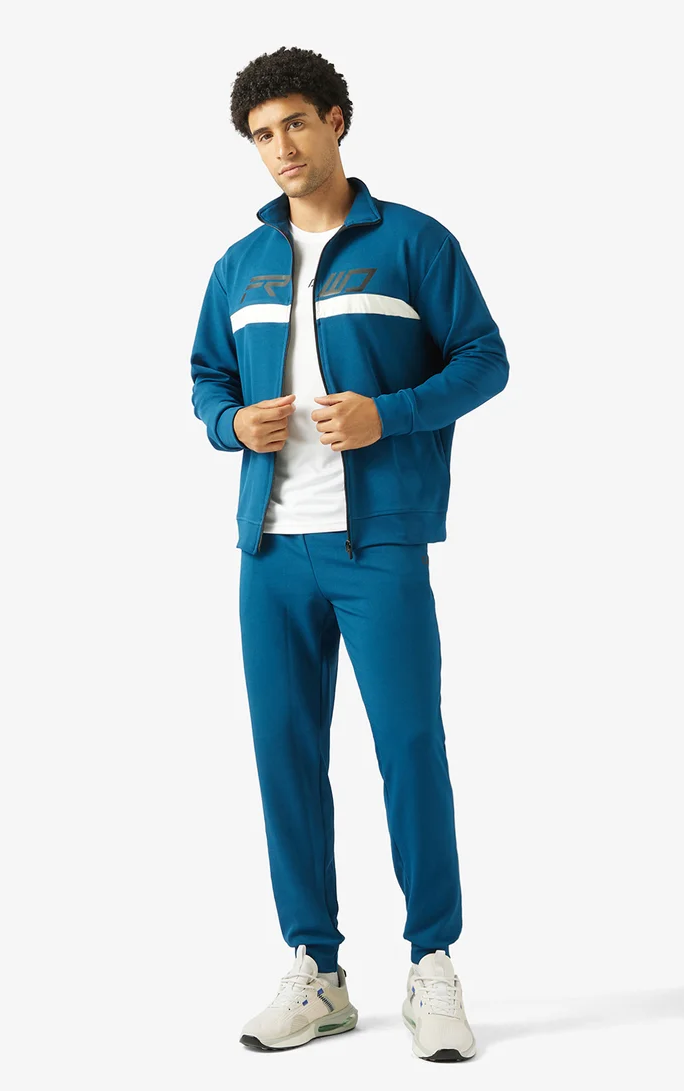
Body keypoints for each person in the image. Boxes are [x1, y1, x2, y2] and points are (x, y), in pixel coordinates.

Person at [190, 45, 508, 1062]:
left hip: (379, 545)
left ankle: (432, 963)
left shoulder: (413, 242)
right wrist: (230, 423)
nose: (280, 146)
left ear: (335, 120)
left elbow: (484, 358)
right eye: (261, 134)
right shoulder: (238, 265)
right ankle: (315, 967)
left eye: (294, 122)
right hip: (269, 549)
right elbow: (205, 378)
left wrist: (392, 413)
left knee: (409, 746)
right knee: (285, 756)